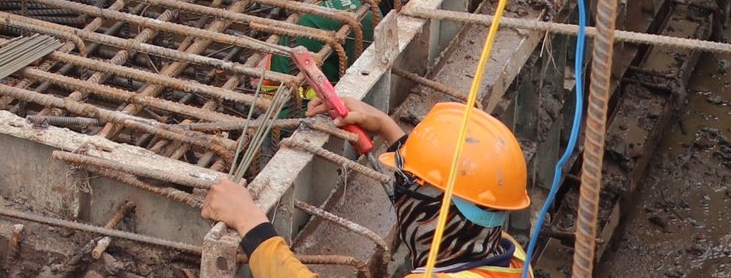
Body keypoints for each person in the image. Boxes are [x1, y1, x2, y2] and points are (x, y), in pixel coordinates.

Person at [201, 99, 532, 275]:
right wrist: (387, 126)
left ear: (436, 212)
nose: (397, 192)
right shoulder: (505, 253)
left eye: (406, 185)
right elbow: (440, 192)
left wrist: (250, 222)